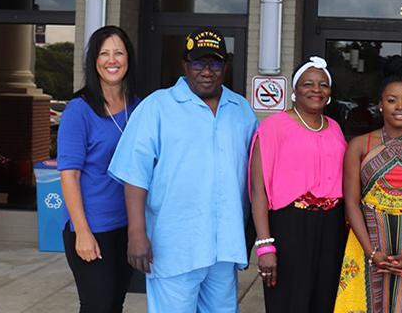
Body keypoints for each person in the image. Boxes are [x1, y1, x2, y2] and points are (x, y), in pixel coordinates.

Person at [108, 29, 258, 312]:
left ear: (225, 66)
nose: (207, 71)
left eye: (214, 64)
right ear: (185, 65)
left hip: (224, 247)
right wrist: (137, 233)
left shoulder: (241, 110)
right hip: (174, 245)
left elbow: (256, 174)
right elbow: (134, 175)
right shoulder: (157, 107)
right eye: (199, 63)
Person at [334, 57, 402, 312]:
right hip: (366, 244)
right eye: (392, 100)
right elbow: (351, 203)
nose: (399, 107)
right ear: (380, 104)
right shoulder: (359, 146)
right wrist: (372, 252)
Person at [249, 56, 348, 312]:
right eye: (308, 84)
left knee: (324, 301)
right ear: (295, 90)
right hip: (290, 226)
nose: (316, 90)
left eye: (323, 84)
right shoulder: (273, 127)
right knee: (289, 302)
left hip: (331, 226)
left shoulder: (335, 128)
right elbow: (258, 190)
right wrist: (264, 245)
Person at [57, 25, 138, 313]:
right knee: (97, 306)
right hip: (93, 227)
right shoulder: (79, 110)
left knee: (115, 304)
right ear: (94, 61)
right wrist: (82, 232)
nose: (112, 60)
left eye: (118, 52)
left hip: (127, 227)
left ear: (129, 58)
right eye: (104, 53)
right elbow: (69, 175)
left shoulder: (137, 107)